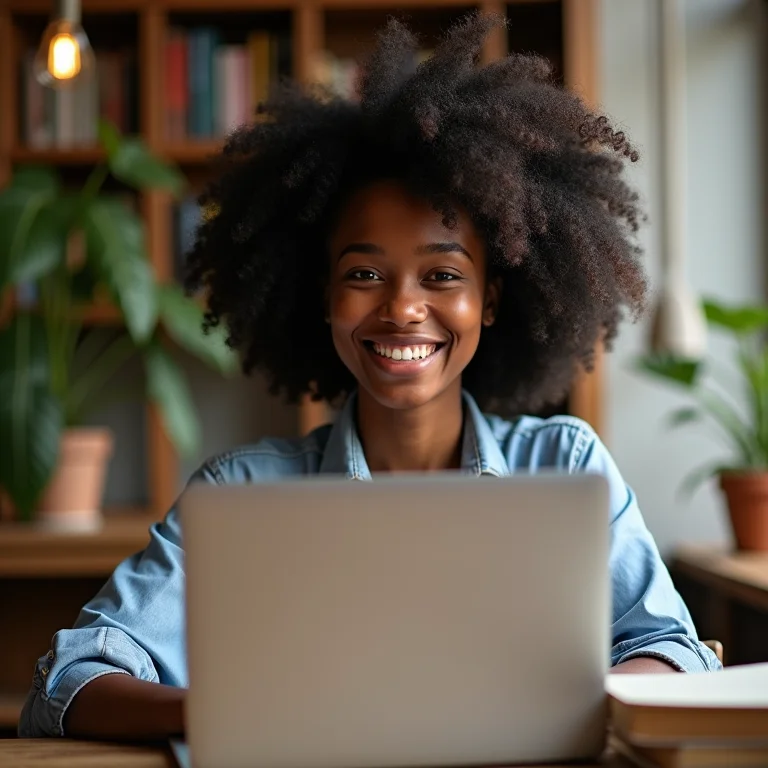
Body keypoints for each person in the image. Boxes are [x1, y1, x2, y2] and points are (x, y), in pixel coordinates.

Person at [19, 13, 720, 742]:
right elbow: (69, 680)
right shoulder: (244, 496)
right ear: (323, 294)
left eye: (443, 274)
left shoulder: (566, 467)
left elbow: (673, 650)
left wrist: (563, 710)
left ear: (492, 298)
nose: (403, 307)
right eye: (364, 274)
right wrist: (228, 715)